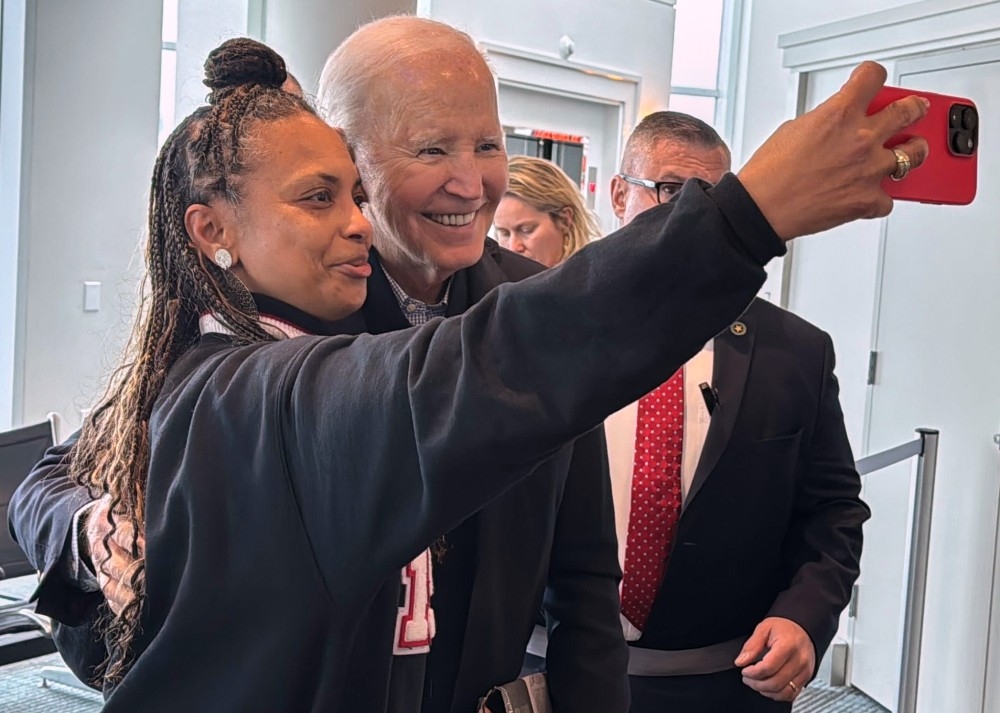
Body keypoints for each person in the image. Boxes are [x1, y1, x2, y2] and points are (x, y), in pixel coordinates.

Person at [9, 25, 927, 713]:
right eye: (427, 149)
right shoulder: (251, 368)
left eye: (486, 144)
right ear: (353, 151)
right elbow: (477, 371)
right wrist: (742, 216)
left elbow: (582, 580)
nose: (469, 180)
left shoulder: (525, 299)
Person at [604, 111, 869, 712]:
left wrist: (803, 618)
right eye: (669, 190)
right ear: (620, 193)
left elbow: (832, 510)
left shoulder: (796, 352)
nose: (691, 215)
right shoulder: (551, 329)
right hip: (549, 672)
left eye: (712, 198)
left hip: (724, 681)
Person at [494, 155, 601, 267]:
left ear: (564, 219)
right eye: (504, 233)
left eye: (526, 230)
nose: (513, 247)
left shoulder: (596, 279)